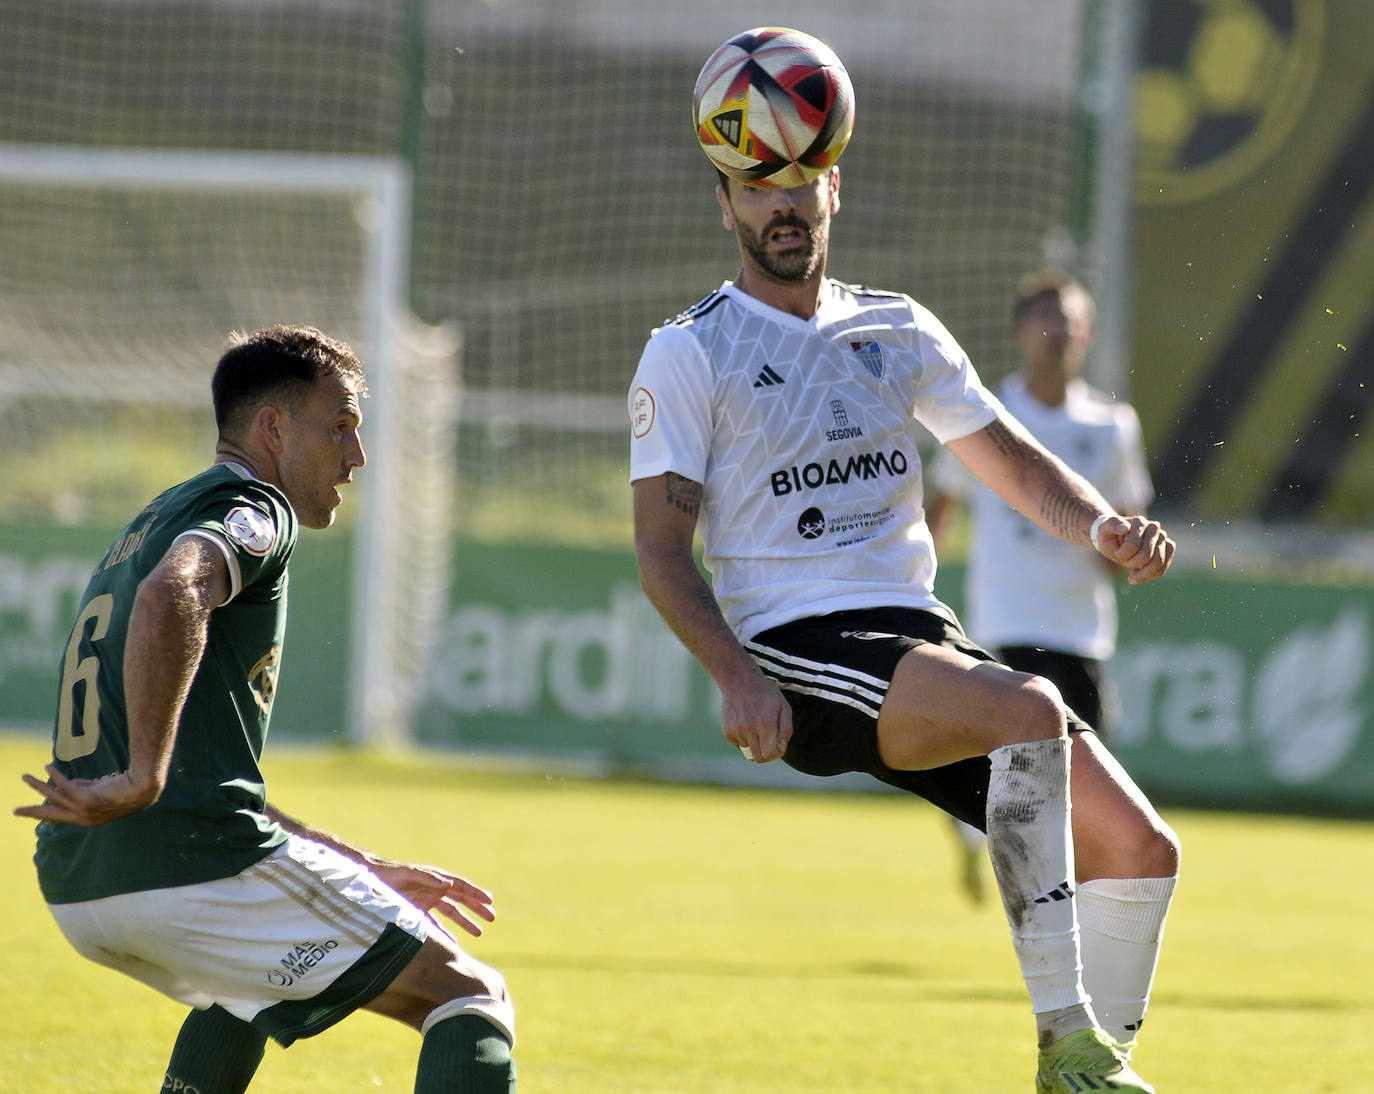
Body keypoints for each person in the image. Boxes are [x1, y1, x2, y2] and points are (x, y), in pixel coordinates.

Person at [628, 59, 1180, 1094]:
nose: (781, 202)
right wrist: (735, 675)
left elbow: (1007, 456)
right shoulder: (689, 349)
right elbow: (661, 547)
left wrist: (1101, 524)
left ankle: (1093, 1073)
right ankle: (1066, 1041)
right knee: (1029, 704)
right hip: (799, 652)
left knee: (1141, 849)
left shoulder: (898, 326)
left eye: (800, 179)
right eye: (757, 184)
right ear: (725, 201)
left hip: (920, 638)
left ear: (834, 185)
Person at [15, 326, 515, 1093]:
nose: (358, 457)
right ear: (273, 429)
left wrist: (361, 867)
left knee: (247, 991)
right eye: (341, 426)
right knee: (470, 997)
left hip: (81, 883)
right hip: (182, 863)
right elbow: (173, 591)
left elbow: (211, 775)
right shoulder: (254, 504)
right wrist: (143, 779)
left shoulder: (148, 520)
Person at [925, 270, 1155, 904]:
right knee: (1017, 796)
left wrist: (1130, 553)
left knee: (1087, 799)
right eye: (1046, 319)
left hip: (1082, 634)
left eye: (1072, 320)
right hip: (1005, 630)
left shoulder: (1113, 426)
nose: (1060, 332)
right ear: (1018, 331)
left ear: (1090, 333)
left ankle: (1037, 890)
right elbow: (940, 506)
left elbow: (1128, 525)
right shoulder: (985, 413)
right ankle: (1017, 887)